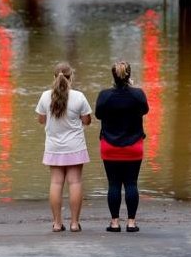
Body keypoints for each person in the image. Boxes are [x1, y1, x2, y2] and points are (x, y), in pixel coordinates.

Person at [36, 62, 92, 232]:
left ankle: (57, 223)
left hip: (54, 147)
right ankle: (74, 223)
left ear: (54, 77)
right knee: (75, 182)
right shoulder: (79, 97)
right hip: (75, 146)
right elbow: (87, 121)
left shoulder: (45, 96)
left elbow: (41, 120)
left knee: (56, 183)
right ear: (71, 77)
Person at [95, 61, 149, 233]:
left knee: (114, 184)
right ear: (129, 75)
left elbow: (98, 115)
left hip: (109, 146)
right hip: (134, 146)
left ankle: (115, 223)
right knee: (131, 183)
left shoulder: (104, 95)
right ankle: (131, 223)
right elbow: (145, 110)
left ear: (113, 76)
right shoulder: (138, 94)